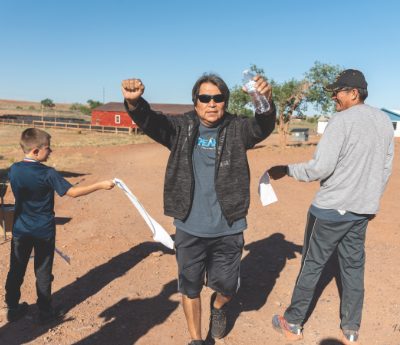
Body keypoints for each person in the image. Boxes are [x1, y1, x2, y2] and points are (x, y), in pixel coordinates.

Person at [121, 73, 276, 345]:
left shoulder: (238, 128)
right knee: (189, 287)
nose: (212, 103)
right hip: (189, 227)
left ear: (225, 102)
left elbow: (263, 125)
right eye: (205, 98)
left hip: (228, 227)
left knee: (227, 287)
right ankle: (195, 339)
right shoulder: (180, 127)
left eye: (218, 98)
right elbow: (151, 121)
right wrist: (135, 104)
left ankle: (218, 307)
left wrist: (264, 102)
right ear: (195, 102)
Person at [268, 69, 394, 345]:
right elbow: (385, 168)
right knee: (352, 267)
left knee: (312, 264)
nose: (333, 97)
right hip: (360, 211)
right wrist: (371, 201)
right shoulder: (384, 122)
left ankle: (292, 322)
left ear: (354, 93)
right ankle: (350, 329)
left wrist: (286, 169)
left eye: (338, 91)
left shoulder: (341, 121)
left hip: (330, 210)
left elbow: (320, 168)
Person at [5, 128, 115, 323]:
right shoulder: (48, 173)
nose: (51, 151)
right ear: (36, 151)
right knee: (43, 271)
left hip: (21, 229)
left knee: (16, 268)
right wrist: (100, 185)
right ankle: (45, 312)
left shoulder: (14, 169)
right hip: (44, 230)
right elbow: (71, 192)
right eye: (48, 148)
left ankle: (12, 308)